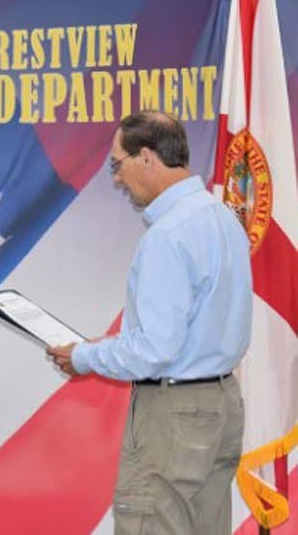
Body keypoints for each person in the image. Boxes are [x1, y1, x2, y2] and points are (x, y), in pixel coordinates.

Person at [48, 110, 252, 535]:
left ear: (146, 157)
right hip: (222, 403)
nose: (117, 179)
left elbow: (154, 350)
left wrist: (84, 357)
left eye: (117, 164)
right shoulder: (224, 218)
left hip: (173, 413)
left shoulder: (167, 236)